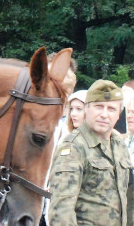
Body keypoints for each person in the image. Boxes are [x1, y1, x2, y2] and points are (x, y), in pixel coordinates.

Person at [48, 79, 133, 225]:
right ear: (87, 109)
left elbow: (130, 200)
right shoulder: (73, 147)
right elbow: (61, 210)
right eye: (99, 107)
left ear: (119, 115)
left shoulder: (120, 146)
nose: (104, 114)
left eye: (111, 109)